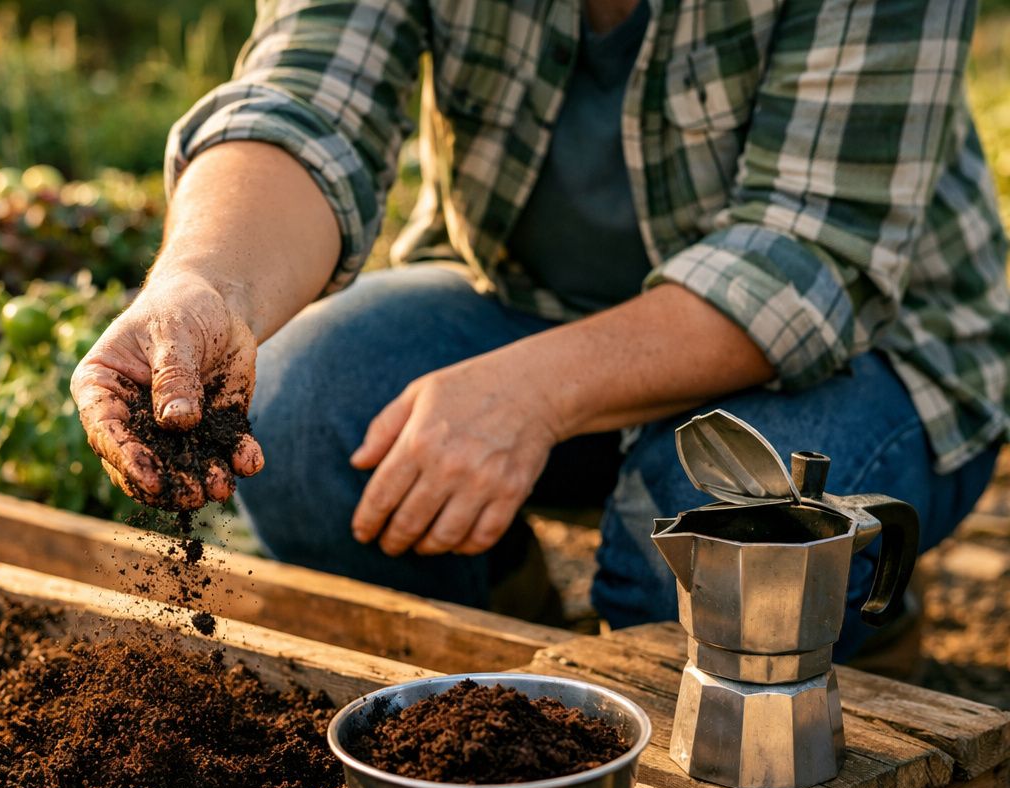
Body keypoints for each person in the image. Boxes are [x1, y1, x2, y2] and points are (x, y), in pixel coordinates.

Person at [71, 0, 1009, 659]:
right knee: (307, 415)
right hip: (532, 303)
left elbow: (811, 255)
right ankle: (501, 645)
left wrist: (531, 394)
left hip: (869, 348)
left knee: (696, 553)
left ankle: (854, 618)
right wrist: (206, 283)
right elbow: (306, 96)